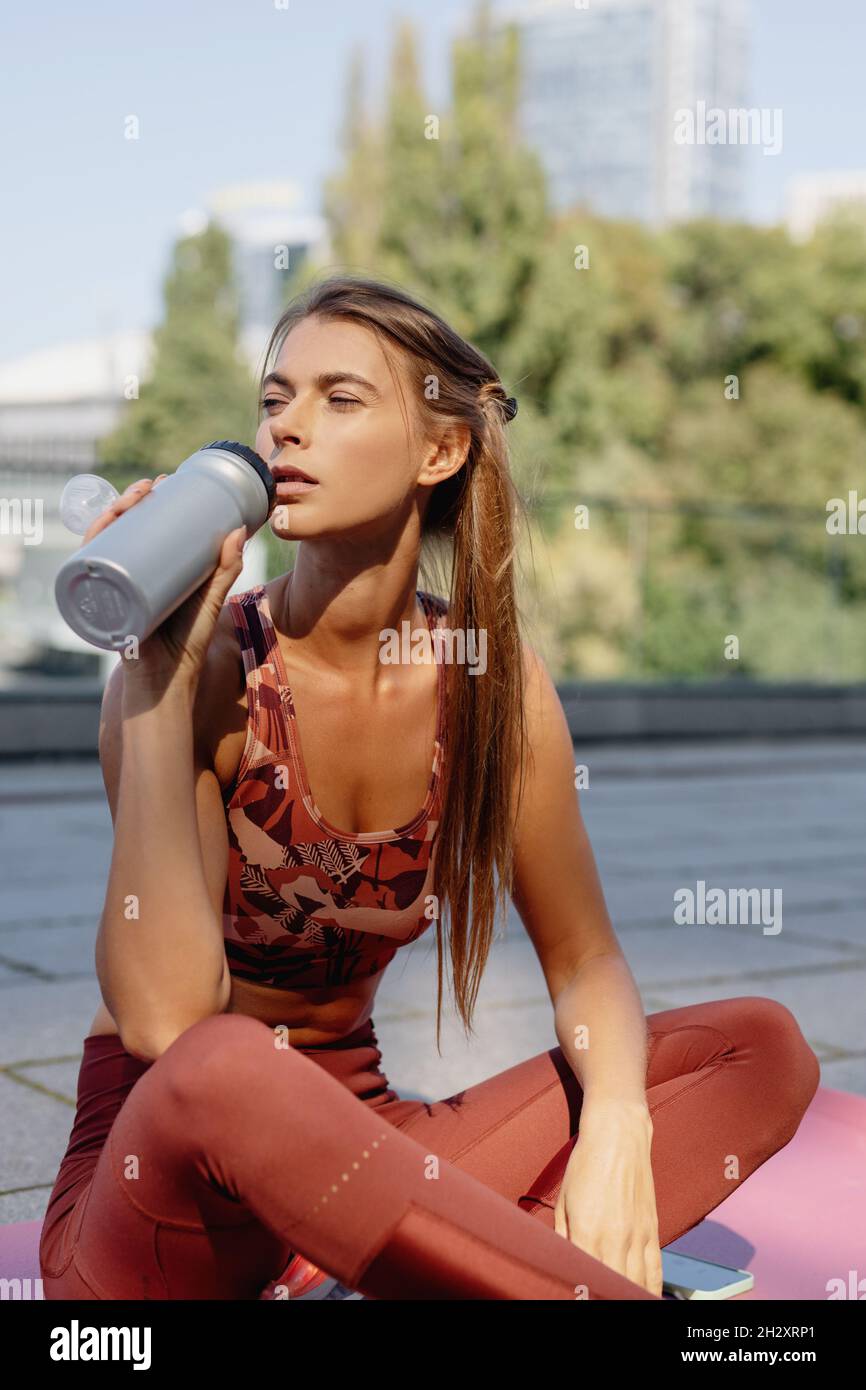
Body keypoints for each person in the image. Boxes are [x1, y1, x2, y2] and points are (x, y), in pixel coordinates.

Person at [40, 275, 820, 1301]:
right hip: (170, 1208)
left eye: (339, 399)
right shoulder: (207, 672)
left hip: (366, 1153)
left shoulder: (485, 680)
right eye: (275, 400)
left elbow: (584, 957)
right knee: (222, 1060)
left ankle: (388, 1266)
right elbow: (166, 1023)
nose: (287, 431)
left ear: (439, 451)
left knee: (754, 1048)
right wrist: (150, 676)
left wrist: (617, 1135)